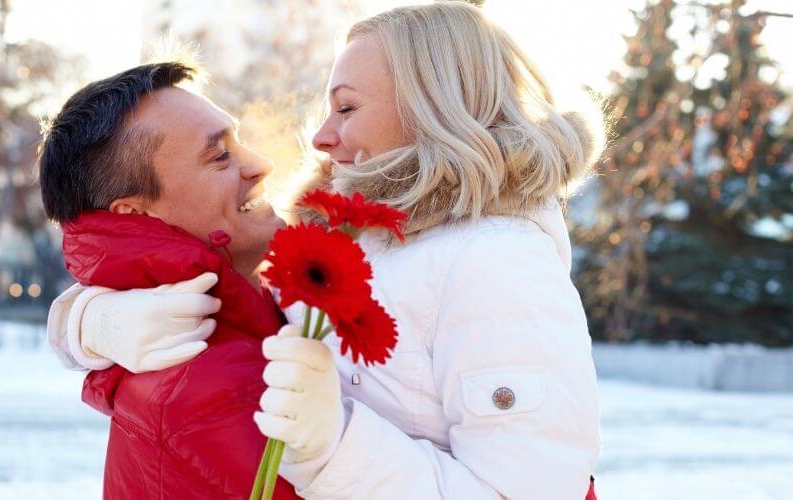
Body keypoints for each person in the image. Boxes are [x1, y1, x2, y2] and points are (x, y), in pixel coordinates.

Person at [51, 3, 603, 499]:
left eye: (346, 108)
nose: (318, 136)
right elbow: (207, 284)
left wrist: (332, 445)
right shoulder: (350, 235)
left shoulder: (496, 263)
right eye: (219, 156)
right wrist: (86, 320)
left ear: (432, 108)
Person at [39, 62, 298, 499]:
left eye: (239, 142)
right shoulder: (206, 382)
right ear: (137, 215)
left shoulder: (242, 317)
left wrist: (80, 321)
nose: (262, 165)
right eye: (220, 156)